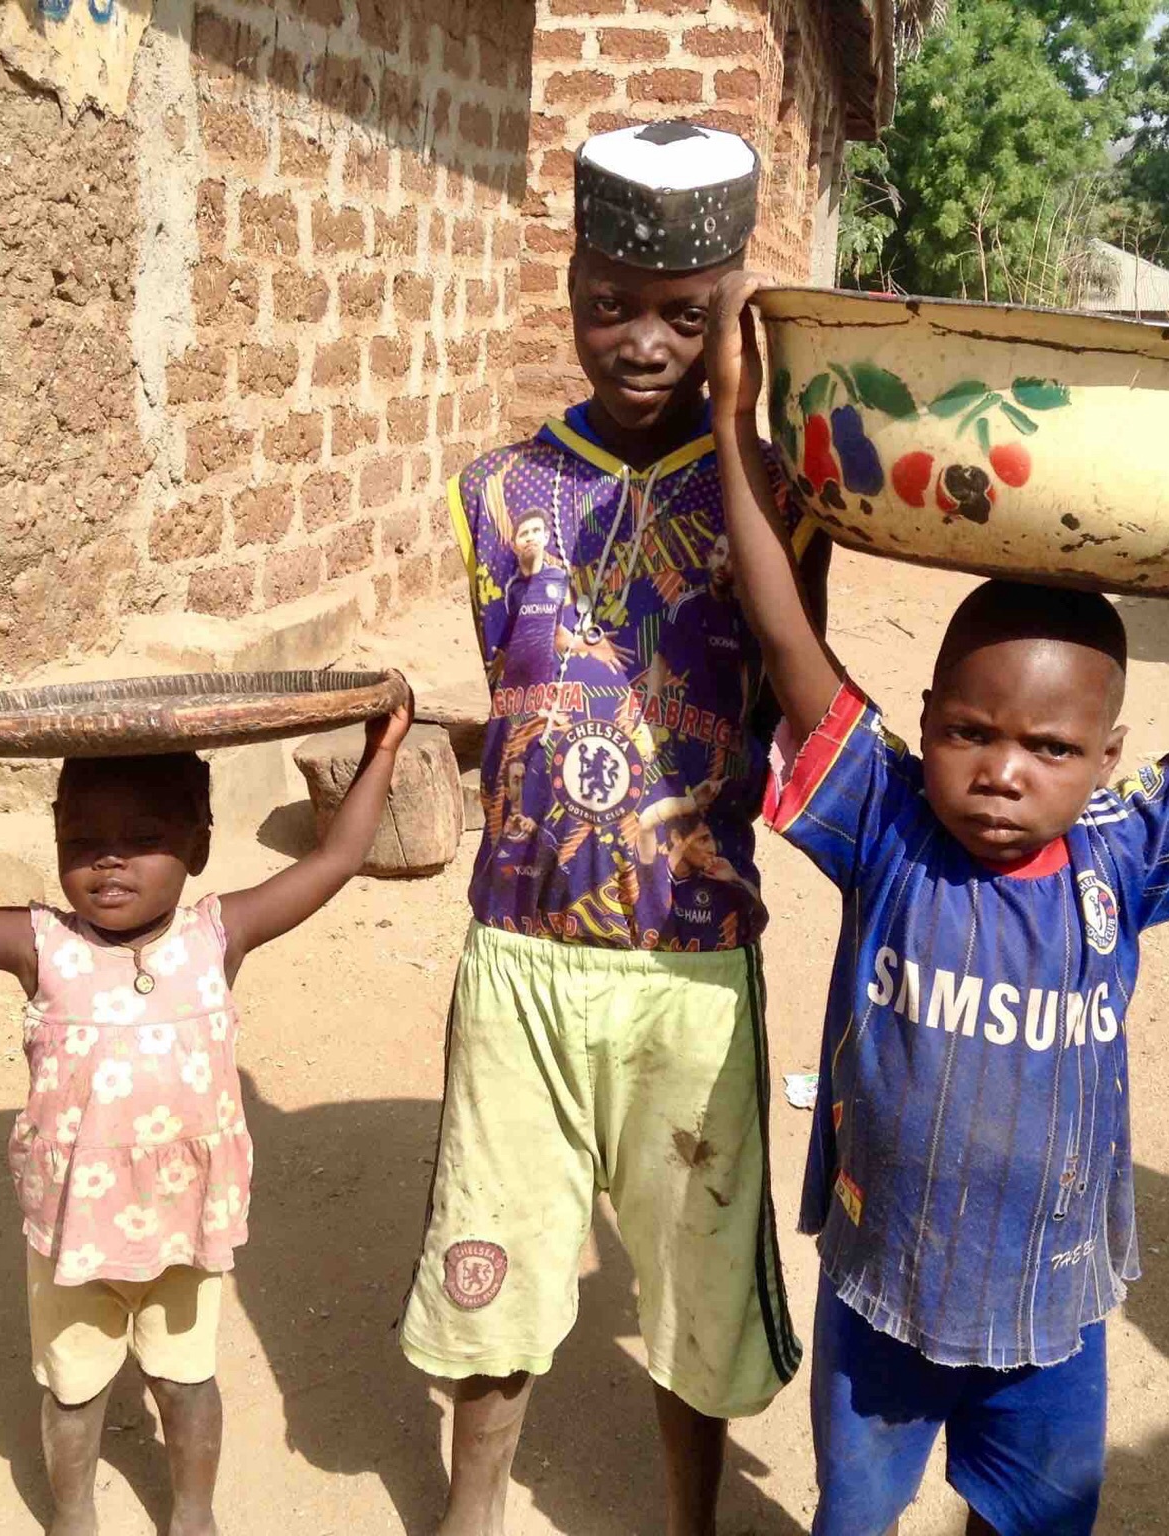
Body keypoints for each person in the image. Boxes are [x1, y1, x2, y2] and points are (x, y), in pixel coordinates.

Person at [704, 268, 1169, 1536]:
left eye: (1048, 748)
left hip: (1051, 1304)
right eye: (968, 732)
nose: (1001, 772)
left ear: (1108, 761)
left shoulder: (1127, 852)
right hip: (884, 1287)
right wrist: (735, 423)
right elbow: (783, 638)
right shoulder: (884, 819)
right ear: (923, 721)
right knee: (853, 1517)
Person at [398, 121, 828, 1536]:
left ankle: (688, 1519)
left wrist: (748, 436)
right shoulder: (496, 493)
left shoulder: (775, 504)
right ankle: (472, 1510)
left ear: (728, 321)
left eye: (685, 318)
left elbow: (798, 687)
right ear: (571, 294)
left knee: (694, 1271)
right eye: (610, 307)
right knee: (496, 1251)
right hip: (521, 947)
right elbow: (510, 685)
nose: (642, 343)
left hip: (687, 955)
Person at [0, 695, 413, 1536]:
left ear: (198, 844)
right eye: (81, 841)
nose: (109, 859)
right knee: (74, 1390)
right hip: (75, 1229)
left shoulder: (219, 937)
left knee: (186, 1381)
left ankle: (193, 1513)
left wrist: (381, 752)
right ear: (55, 840)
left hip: (185, 1225)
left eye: (143, 836)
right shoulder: (40, 946)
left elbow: (336, 857)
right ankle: (73, 1514)